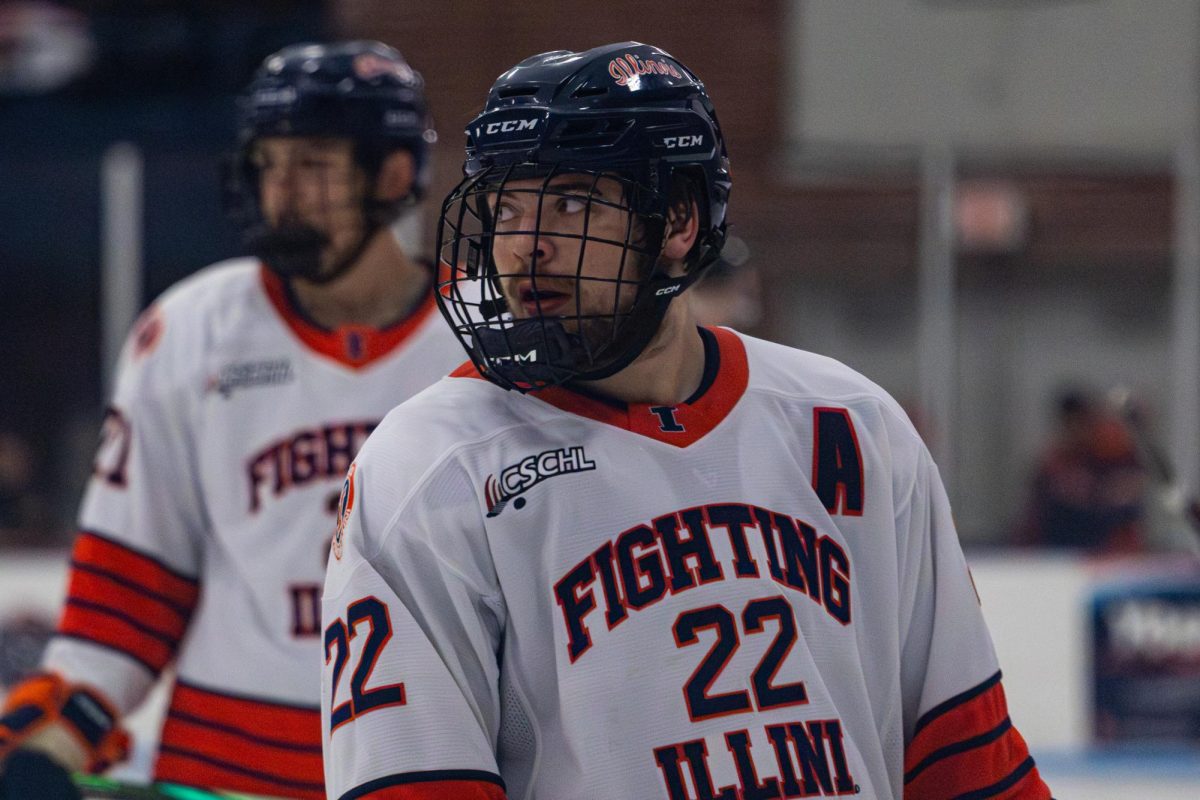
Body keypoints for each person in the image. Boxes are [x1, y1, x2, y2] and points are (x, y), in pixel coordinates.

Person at [321, 41, 1052, 800]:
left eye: (570, 202)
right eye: (505, 206)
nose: (523, 247)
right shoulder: (429, 467)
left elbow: (969, 758)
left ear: (676, 222)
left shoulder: (850, 426)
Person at [0, 40, 462, 800]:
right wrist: (50, 737)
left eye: (312, 164)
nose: (282, 191)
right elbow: (128, 589)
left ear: (394, 173)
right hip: (222, 772)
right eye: (269, 164)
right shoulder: (190, 330)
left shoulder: (491, 336)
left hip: (432, 763)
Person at [1013, 388, 1147, 553]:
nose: (1077, 430)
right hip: (1063, 546)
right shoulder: (1056, 458)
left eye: (1081, 423)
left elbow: (1131, 487)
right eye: (1070, 424)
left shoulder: (1113, 449)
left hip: (1113, 546)